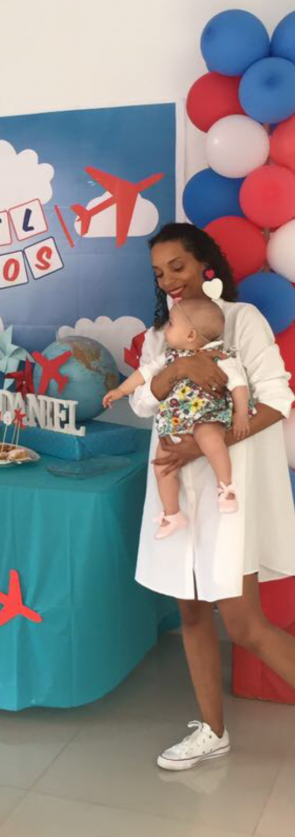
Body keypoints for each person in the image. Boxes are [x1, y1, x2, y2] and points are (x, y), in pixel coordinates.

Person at [131, 222, 295, 771]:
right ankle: (213, 731)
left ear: (205, 263)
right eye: (159, 273)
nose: (168, 280)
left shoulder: (242, 320)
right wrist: (178, 365)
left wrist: (207, 445)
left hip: (227, 494)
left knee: (245, 625)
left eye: (176, 266)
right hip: (176, 499)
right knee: (192, 613)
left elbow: (276, 399)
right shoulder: (160, 335)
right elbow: (142, 403)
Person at [104, 296, 251, 538]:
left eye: (171, 324)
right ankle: (172, 514)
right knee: (162, 465)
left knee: (211, 439)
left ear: (191, 335)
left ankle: (226, 487)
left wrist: (241, 414)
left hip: (207, 414)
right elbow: (143, 374)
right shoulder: (170, 357)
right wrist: (121, 391)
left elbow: (238, 386)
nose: (166, 330)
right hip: (174, 421)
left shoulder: (221, 357)